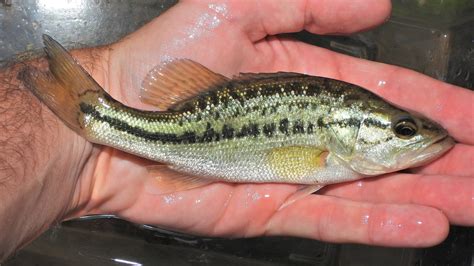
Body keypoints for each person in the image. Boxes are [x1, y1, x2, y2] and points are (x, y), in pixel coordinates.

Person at [0, 0, 472, 260]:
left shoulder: (335, 156)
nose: (416, 138)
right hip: (173, 139)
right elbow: (289, 162)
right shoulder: (330, 157)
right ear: (347, 130)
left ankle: (97, 117)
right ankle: (98, 117)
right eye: (403, 129)